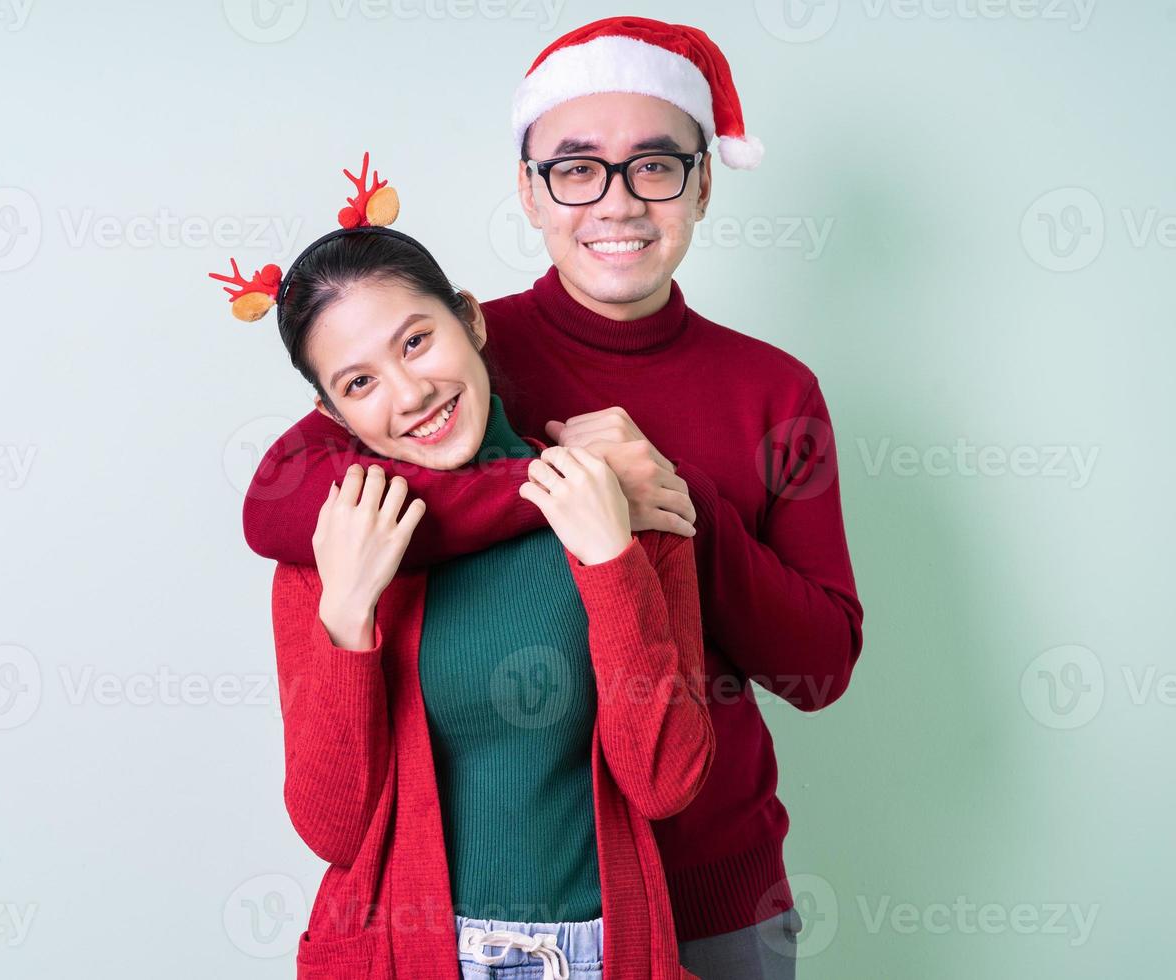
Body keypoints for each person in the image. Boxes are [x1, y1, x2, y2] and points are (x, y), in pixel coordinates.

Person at [244, 18, 865, 980]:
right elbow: (280, 509)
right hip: (470, 904)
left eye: (655, 165)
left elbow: (820, 664)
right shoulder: (445, 356)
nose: (616, 201)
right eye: (576, 169)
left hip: (710, 885)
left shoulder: (776, 390)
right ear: (531, 191)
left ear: (701, 183)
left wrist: (666, 501)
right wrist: (542, 493)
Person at [217, 160, 714, 978]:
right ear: (330, 415)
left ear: (472, 322)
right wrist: (346, 616)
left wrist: (610, 560)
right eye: (360, 382)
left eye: (417, 340)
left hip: (600, 955)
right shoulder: (336, 551)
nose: (409, 392)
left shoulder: (619, 498)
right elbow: (332, 829)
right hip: (404, 956)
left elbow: (665, 782)